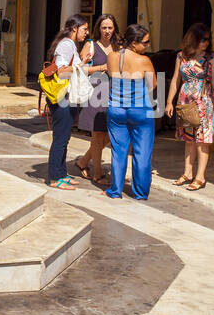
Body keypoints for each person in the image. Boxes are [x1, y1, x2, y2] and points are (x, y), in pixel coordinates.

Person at [165, 23, 214, 191]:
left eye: (207, 39)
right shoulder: (181, 56)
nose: (206, 42)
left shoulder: (211, 58)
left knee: (202, 141)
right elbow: (176, 79)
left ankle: (200, 176)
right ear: (193, 39)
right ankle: (187, 172)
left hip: (204, 101)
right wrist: (170, 101)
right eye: (202, 39)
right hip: (185, 101)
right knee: (188, 139)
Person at [105, 23, 156, 200]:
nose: (148, 46)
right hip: (140, 110)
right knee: (142, 153)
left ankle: (115, 190)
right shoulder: (144, 61)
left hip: (116, 109)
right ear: (134, 43)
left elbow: (111, 75)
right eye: (146, 42)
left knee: (118, 151)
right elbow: (153, 85)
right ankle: (140, 193)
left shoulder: (112, 56)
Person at [47, 15, 92, 191]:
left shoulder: (70, 45)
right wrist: (81, 64)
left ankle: (62, 173)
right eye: (84, 29)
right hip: (62, 98)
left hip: (67, 97)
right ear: (75, 29)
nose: (86, 33)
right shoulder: (66, 45)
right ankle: (54, 177)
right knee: (60, 138)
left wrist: (82, 63)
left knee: (64, 138)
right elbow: (61, 71)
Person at [75, 14, 120, 185]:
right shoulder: (90, 45)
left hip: (114, 94)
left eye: (110, 27)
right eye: (104, 28)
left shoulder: (119, 46)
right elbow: (80, 69)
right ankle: (98, 173)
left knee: (109, 134)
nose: (107, 31)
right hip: (95, 93)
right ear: (98, 29)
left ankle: (83, 161)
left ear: (114, 28)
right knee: (96, 135)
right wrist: (102, 67)